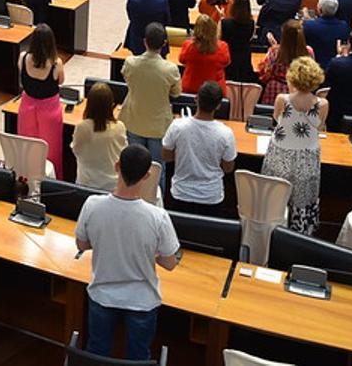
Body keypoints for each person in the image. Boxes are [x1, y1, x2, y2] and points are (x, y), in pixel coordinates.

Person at [75, 144, 180, 360]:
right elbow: (170, 263)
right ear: (147, 175)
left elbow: (82, 245)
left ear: (116, 167)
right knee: (138, 356)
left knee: (97, 353)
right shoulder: (158, 217)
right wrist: (150, 253)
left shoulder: (92, 205)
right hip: (142, 301)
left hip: (102, 296)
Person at [262, 56, 328, 234]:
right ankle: (300, 235)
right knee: (302, 203)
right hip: (306, 158)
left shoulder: (282, 99)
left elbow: (277, 119)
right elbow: (320, 126)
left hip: (280, 155)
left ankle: (272, 231)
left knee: (275, 197)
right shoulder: (322, 104)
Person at [120, 23, 182, 186]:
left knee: (133, 169)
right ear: (164, 44)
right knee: (157, 170)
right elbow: (176, 93)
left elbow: (127, 79)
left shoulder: (130, 63)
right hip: (158, 127)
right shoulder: (171, 69)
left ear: (145, 42)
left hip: (134, 121)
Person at [162, 81, 236, 216]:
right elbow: (228, 168)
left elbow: (166, 156)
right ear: (219, 105)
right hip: (212, 197)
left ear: (196, 99)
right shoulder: (226, 133)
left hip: (181, 194)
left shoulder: (177, 126)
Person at [17, 24, 66, 179]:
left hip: (26, 107)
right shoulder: (56, 63)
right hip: (49, 110)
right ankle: (52, 181)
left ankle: (25, 180)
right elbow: (60, 81)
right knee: (51, 151)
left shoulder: (23, 57)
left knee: (27, 148)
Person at [72, 83, 128, 192]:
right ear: (111, 104)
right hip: (113, 185)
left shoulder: (82, 127)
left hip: (86, 184)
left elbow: (76, 150)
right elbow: (123, 152)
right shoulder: (120, 127)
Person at [259, 20, 313, 104]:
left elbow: (264, 73)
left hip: (275, 92)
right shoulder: (309, 51)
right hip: (299, 92)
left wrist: (274, 47)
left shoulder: (274, 51)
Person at [179, 15, 230, 93]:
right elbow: (226, 62)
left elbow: (182, 60)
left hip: (190, 88)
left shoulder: (188, 45)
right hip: (215, 91)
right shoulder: (223, 47)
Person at [303, 0, 350, 70]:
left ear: (320, 9)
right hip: (337, 68)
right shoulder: (344, 26)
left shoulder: (309, 25)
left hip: (314, 67)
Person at [221, 0, 258, 83]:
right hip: (244, 58)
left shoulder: (224, 23)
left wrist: (222, 17)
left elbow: (219, 39)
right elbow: (250, 38)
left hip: (228, 57)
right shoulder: (252, 23)